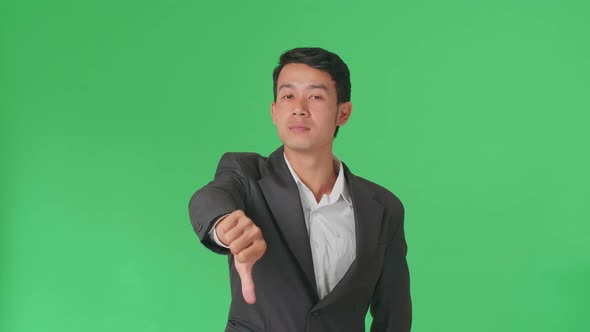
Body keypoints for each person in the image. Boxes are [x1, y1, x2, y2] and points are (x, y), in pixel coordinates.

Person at [188, 47, 411, 332]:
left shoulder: (384, 208)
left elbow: (394, 318)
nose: (299, 108)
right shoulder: (244, 174)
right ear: (274, 111)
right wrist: (223, 225)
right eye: (288, 96)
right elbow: (208, 198)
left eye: (315, 96)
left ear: (343, 112)